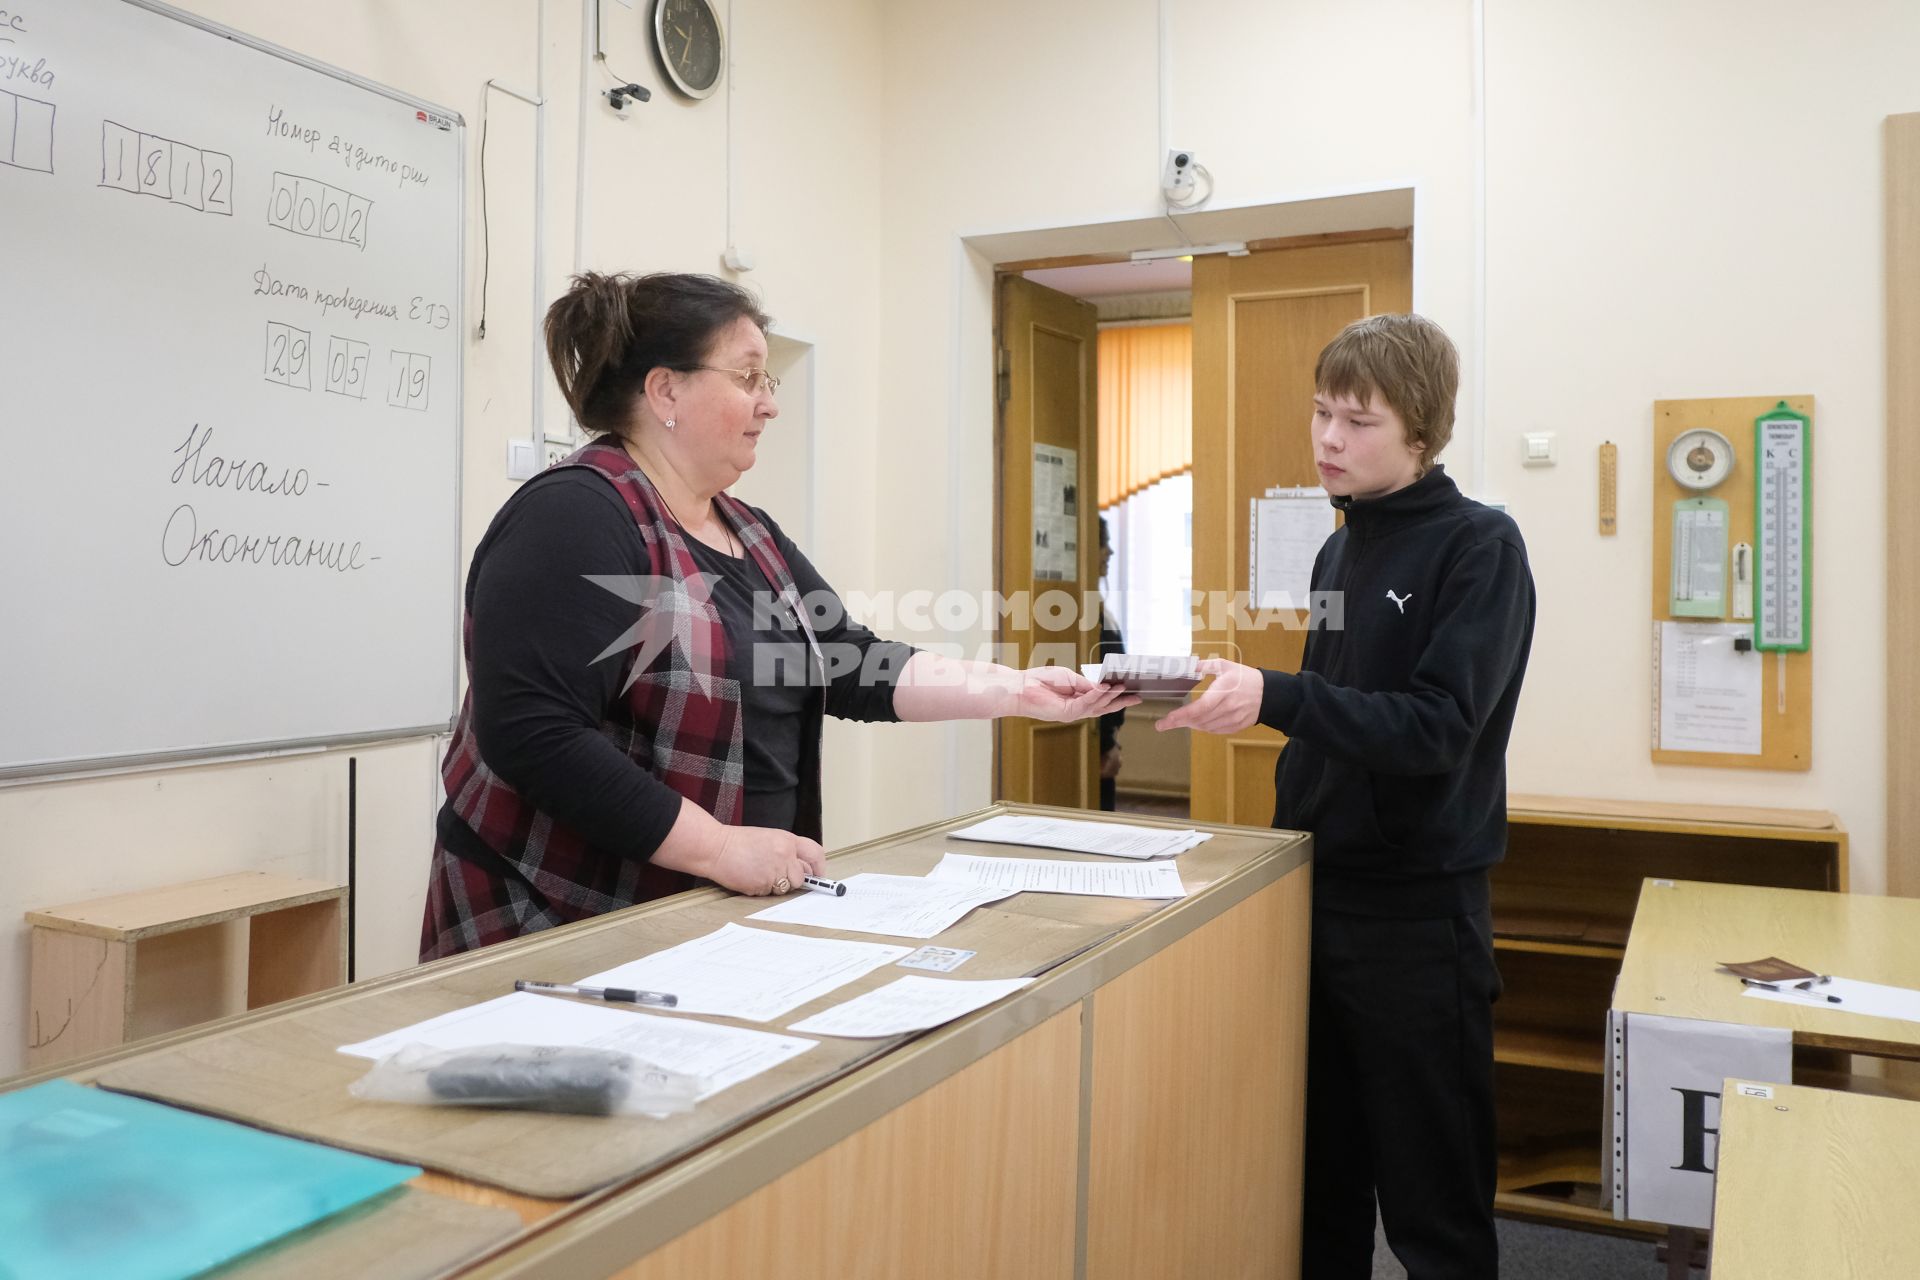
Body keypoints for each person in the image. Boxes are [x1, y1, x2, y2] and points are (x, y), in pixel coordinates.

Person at [422, 272, 1132, 961]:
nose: (770, 405)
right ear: (665, 390)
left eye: (771, 381)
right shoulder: (575, 513)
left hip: (697, 909)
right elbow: (534, 734)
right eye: (748, 377)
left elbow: (849, 662)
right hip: (556, 911)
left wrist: (1014, 690)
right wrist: (722, 847)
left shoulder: (749, 532)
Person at [1159, 313, 1534, 1278]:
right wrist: (1262, 708)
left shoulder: (1479, 547)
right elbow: (1337, 720)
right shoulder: (1336, 552)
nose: (1329, 439)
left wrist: (1275, 694)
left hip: (1418, 919)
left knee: (1434, 1210)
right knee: (1317, 1192)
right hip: (1314, 898)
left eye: (1359, 422)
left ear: (1421, 429)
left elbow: (1436, 729)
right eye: (1323, 413)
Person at [1094, 515, 1125, 810]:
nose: (1110, 552)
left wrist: (1112, 741)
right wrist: (1105, 744)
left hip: (1105, 738)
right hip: (1092, 744)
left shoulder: (1101, 610)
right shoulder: (1083, 616)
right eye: (1105, 543)